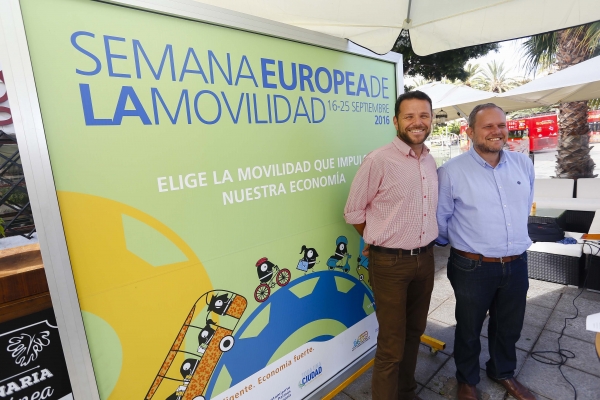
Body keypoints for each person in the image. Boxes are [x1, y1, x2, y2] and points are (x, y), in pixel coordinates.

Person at [436, 104, 535, 400]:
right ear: (470, 132)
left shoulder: (523, 165)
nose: (497, 131)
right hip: (472, 266)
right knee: (468, 327)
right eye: (488, 126)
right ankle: (467, 380)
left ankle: (502, 371)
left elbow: (524, 205)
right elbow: (441, 220)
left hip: (517, 263)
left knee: (509, 325)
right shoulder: (451, 172)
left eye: (501, 125)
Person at [344, 91, 438, 400]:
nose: (417, 122)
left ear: (432, 120)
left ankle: (407, 392)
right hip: (390, 265)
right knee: (391, 343)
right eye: (409, 116)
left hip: (425, 261)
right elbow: (353, 211)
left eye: (423, 115)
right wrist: (376, 238)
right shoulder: (379, 159)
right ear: (396, 121)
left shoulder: (429, 159)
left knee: (414, 333)